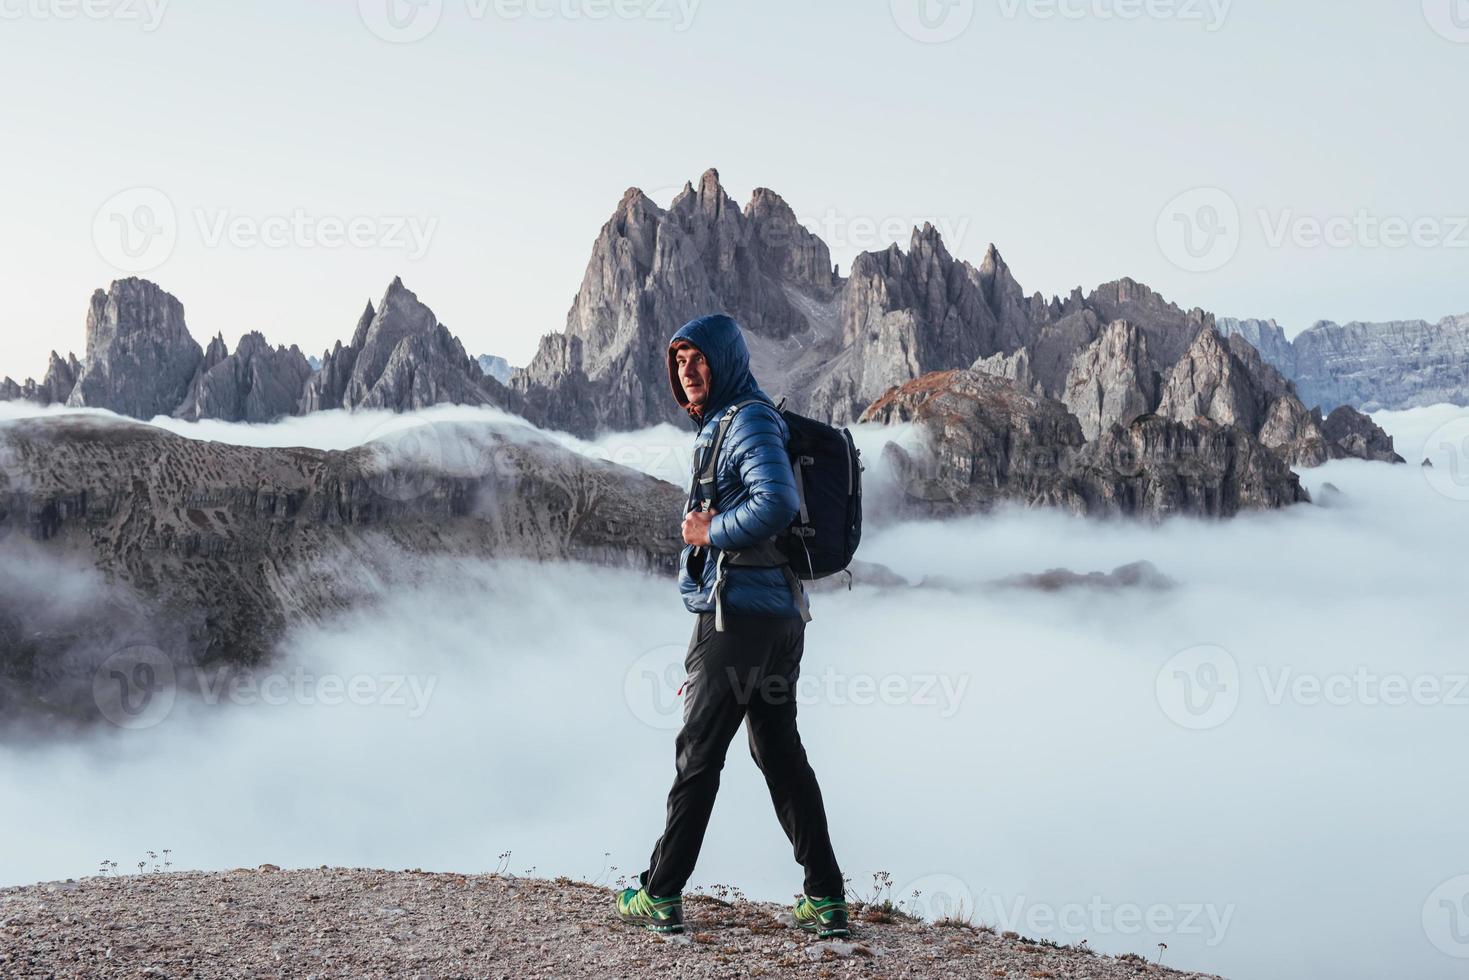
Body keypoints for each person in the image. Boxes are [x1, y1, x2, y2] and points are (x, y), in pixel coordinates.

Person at [614, 313, 848, 939]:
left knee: (699, 753)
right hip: (777, 618)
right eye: (678, 361)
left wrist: (705, 531)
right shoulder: (734, 419)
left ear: (725, 359)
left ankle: (660, 894)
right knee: (778, 751)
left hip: (736, 617)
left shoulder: (745, 418)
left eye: (697, 358)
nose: (686, 371)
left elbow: (777, 502)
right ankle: (826, 898)